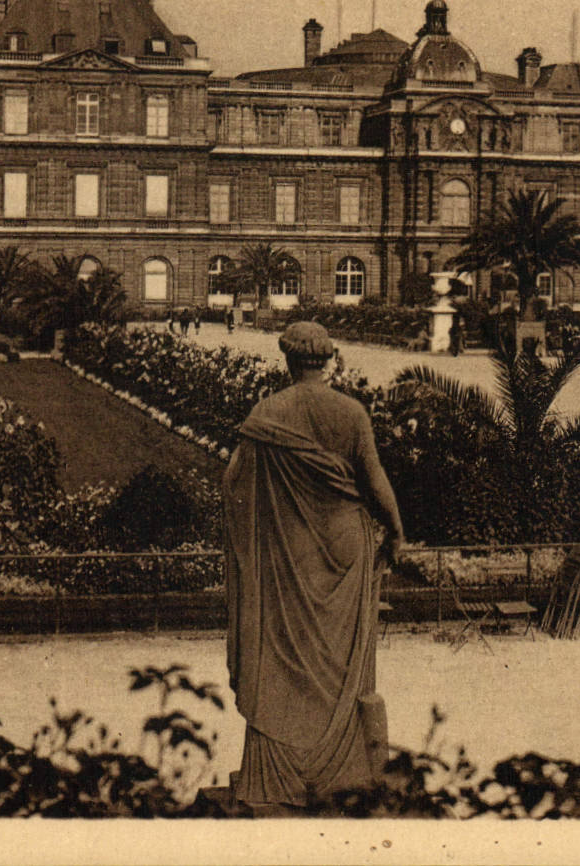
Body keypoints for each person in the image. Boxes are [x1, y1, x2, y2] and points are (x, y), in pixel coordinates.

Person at [224, 322, 407, 812]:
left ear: (288, 362)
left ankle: (280, 773)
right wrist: (398, 531)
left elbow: (233, 483)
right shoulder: (350, 411)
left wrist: (258, 529)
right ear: (328, 361)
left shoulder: (267, 413)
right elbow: (376, 480)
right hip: (345, 545)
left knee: (282, 654)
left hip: (290, 550)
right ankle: (343, 768)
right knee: (345, 656)